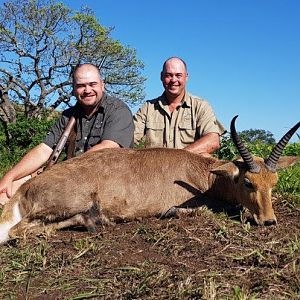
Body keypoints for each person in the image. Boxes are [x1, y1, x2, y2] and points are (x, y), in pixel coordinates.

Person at [0, 63, 134, 205]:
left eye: (92, 84)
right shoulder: (68, 115)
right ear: (74, 89)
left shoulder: (118, 110)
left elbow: (109, 148)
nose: (87, 90)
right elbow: (44, 150)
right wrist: (9, 176)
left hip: (109, 182)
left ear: (102, 85)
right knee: (8, 191)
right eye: (81, 85)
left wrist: (60, 172)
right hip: (72, 177)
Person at [134, 57, 225, 154]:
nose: (173, 80)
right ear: (161, 77)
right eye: (168, 75)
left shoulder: (201, 106)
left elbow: (213, 141)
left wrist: (177, 159)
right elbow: (127, 137)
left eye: (178, 75)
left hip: (188, 168)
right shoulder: (148, 108)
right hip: (153, 167)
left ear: (186, 77)